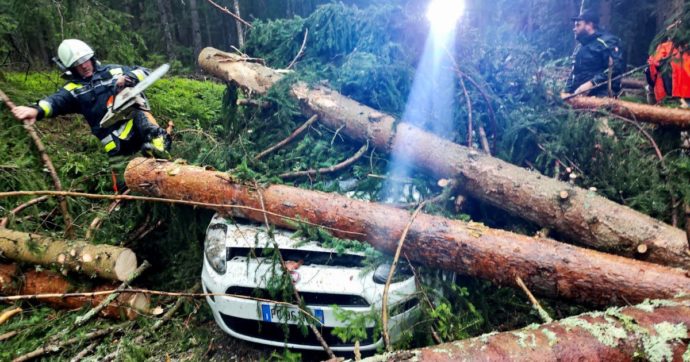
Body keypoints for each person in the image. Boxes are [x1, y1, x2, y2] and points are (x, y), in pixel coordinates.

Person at [11, 39, 171, 160]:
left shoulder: (114, 71)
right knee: (124, 190)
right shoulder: (73, 90)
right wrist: (35, 110)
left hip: (136, 126)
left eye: (84, 60)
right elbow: (54, 102)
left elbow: (144, 72)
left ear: (91, 57)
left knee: (136, 104)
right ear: (70, 67)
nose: (83, 66)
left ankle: (159, 143)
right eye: (77, 64)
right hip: (115, 143)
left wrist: (129, 78)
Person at [565, 10, 626, 97]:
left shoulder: (608, 42)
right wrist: (567, 91)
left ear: (590, 25)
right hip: (578, 95)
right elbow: (574, 72)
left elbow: (616, 68)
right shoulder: (580, 47)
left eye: (578, 25)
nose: (574, 29)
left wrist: (592, 83)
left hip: (601, 94)